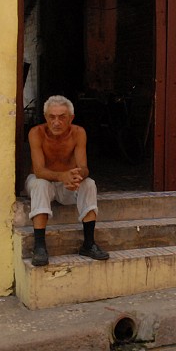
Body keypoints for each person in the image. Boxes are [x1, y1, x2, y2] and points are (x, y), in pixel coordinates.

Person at [25, 95, 109, 266]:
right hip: (42, 183)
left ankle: (89, 243)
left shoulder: (78, 133)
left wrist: (76, 177)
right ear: (46, 117)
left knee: (89, 184)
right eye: (52, 117)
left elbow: (84, 168)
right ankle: (39, 246)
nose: (56, 122)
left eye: (62, 117)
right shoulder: (36, 133)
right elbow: (39, 171)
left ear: (71, 118)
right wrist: (62, 176)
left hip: (67, 186)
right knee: (40, 183)